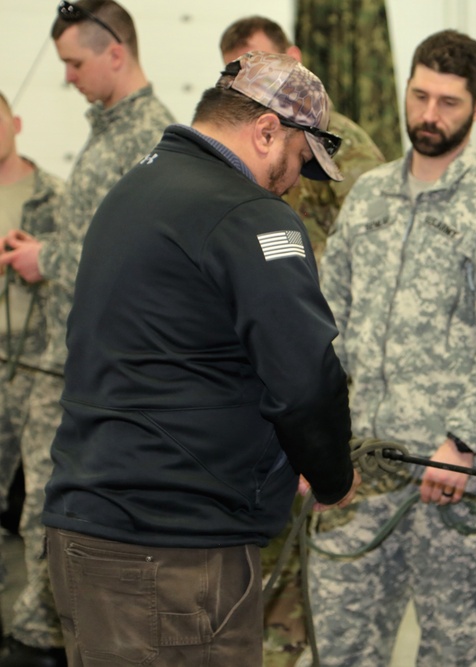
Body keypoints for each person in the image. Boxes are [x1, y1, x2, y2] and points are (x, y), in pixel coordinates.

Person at [40, 51, 360, 667]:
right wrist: (331, 476)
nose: (291, 184)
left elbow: (184, 355)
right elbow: (303, 380)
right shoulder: (249, 213)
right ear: (267, 131)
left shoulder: (135, 190)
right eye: (296, 163)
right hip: (173, 556)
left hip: (90, 531)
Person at [303, 30, 476, 667]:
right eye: (419, 96)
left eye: (448, 102)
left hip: (453, 473)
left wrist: (463, 442)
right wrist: (320, 436)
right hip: (361, 464)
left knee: (453, 649)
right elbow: (329, 318)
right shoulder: (369, 197)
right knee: (341, 639)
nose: (429, 115)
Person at [0, 3, 174, 665]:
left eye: (74, 62)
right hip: (73, 362)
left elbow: (134, 262)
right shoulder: (107, 133)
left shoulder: (147, 139)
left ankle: (57, 641)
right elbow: (95, 240)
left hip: (109, 376)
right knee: (49, 513)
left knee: (74, 520)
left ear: (115, 53)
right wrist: (46, 246)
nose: (68, 76)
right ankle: (47, 635)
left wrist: (44, 260)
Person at [218, 17, 386, 665]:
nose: (248, 83)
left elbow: (361, 268)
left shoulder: (345, 149)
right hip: (250, 369)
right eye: (235, 72)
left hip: (309, 356)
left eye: (257, 65)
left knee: (295, 569)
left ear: (291, 57)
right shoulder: (224, 150)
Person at [220, 15, 385, 259]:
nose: (249, 88)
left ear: (294, 59)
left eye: (262, 71)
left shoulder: (347, 147)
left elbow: (376, 248)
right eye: (238, 76)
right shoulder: (237, 145)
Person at [0, 90, 62, 643]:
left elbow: (75, 262)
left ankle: (37, 630)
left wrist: (41, 255)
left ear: (16, 122)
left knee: (41, 496)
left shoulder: (54, 196)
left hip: (42, 363)